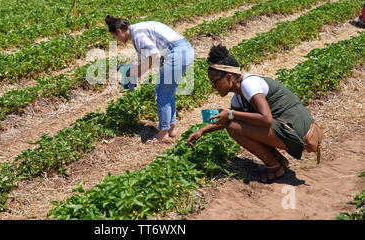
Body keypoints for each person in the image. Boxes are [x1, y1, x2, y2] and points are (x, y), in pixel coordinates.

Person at [187, 45, 315, 183]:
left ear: (229, 78)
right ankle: (279, 161)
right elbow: (226, 120)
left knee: (234, 127)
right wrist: (202, 131)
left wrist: (231, 114)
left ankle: (274, 167)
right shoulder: (238, 97)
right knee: (235, 123)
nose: (214, 87)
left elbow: (265, 119)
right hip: (290, 129)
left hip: (300, 132)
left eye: (215, 82)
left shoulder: (249, 85)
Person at [106, 15, 195, 143]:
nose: (118, 40)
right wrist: (137, 73)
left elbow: (154, 56)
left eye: (115, 37)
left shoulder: (137, 35)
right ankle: (171, 130)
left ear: (119, 31)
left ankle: (163, 134)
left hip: (177, 53)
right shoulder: (139, 28)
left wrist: (136, 73)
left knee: (162, 93)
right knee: (168, 91)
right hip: (184, 50)